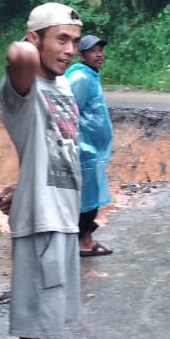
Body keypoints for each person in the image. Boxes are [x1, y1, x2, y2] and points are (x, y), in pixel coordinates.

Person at [0, 3, 92, 339]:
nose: (70, 49)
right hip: (40, 221)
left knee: (48, 317)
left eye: (75, 40)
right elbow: (17, 57)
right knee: (35, 324)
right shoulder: (24, 88)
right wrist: (29, 45)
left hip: (61, 218)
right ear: (36, 39)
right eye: (61, 39)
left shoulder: (62, 88)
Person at [64, 35, 114, 258]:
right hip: (84, 150)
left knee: (89, 196)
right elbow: (69, 113)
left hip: (91, 150)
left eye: (100, 50)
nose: (99, 54)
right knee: (87, 198)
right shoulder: (80, 78)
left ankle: (84, 239)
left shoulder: (89, 75)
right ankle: (84, 242)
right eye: (93, 51)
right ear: (82, 55)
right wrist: (81, 145)